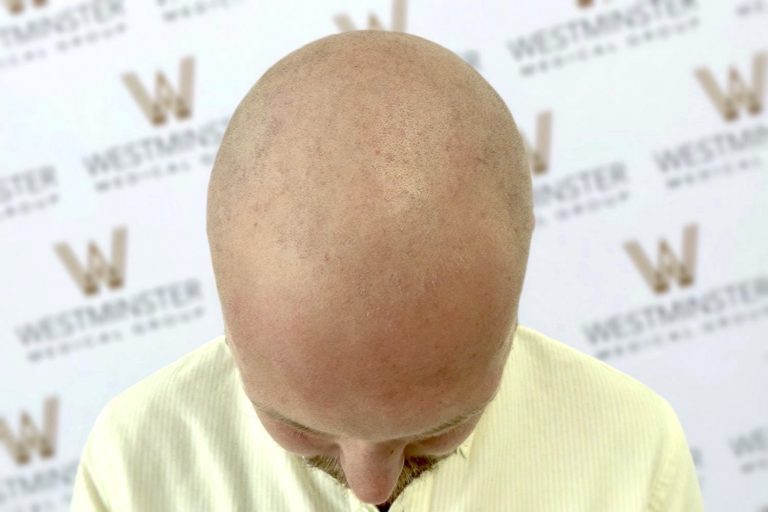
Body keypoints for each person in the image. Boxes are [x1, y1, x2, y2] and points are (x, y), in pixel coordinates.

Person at [70, 30, 703, 511]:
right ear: (231, 320)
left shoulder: (633, 451)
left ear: (509, 314)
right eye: (299, 427)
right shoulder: (134, 466)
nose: (372, 486)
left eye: (439, 429)